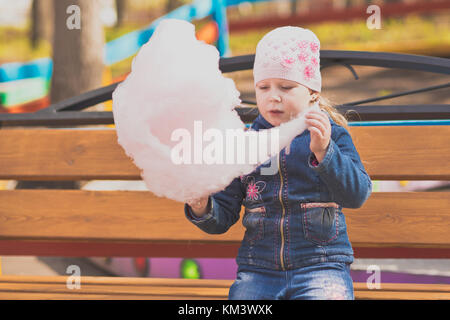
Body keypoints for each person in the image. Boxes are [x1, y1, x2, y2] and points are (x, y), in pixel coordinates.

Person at [184, 26, 372, 300]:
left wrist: (325, 152)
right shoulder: (246, 143)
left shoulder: (330, 135)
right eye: (263, 87)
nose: (273, 95)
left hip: (321, 266)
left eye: (286, 87)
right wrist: (202, 206)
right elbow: (223, 216)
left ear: (313, 93)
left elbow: (357, 195)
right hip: (259, 270)